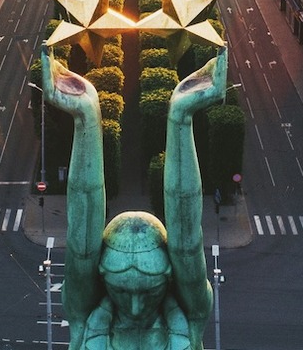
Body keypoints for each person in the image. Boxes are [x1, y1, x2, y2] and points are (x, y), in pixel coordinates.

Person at [42, 46, 225, 349]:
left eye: (150, 292)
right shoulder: (82, 310)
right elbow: (81, 243)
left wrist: (181, 118)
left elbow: (187, 243)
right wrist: (86, 118)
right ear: (102, 279)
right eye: (122, 292)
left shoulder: (193, 312)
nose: (136, 307)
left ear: (168, 277)